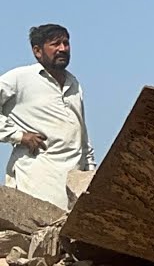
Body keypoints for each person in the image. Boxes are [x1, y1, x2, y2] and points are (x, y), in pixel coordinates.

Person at [0, 24, 94, 209]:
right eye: (55, 44)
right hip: (36, 181)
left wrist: (90, 171)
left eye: (66, 43)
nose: (63, 49)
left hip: (73, 184)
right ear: (37, 51)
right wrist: (19, 136)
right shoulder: (20, 78)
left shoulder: (73, 83)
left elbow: (81, 134)